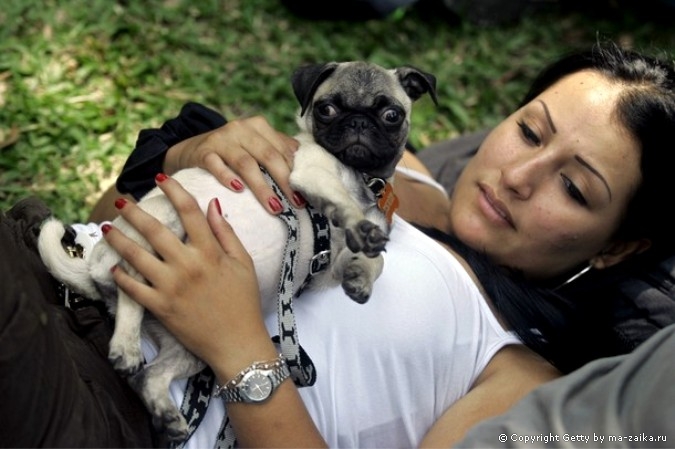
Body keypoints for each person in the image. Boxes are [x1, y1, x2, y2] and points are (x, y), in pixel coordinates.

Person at [2, 41, 674, 448]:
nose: (518, 177)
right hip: (56, 266)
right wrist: (188, 152)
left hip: (107, 408)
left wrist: (238, 347)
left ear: (617, 248)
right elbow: (105, 214)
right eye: (529, 132)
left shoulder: (524, 378)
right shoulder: (394, 175)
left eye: (575, 188)